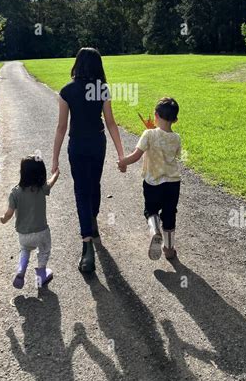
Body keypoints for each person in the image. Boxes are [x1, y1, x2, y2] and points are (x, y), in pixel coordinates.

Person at [52, 47, 125, 273]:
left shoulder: (67, 91)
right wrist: (121, 154)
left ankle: (87, 248)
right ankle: (92, 222)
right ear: (98, 66)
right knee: (94, 185)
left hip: (77, 146)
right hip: (97, 144)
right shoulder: (101, 89)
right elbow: (111, 122)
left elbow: (62, 127)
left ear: (77, 64)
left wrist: (54, 158)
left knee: (81, 192)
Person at [118, 97, 181, 260]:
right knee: (169, 214)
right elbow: (175, 154)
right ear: (175, 119)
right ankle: (168, 249)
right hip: (173, 184)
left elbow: (136, 155)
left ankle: (155, 231)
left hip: (153, 183)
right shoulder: (177, 138)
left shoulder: (148, 134)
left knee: (151, 210)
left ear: (155, 115)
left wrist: (123, 162)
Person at [1, 155, 59, 288]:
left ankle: (21, 269)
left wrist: (3, 219)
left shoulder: (15, 192)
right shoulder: (41, 188)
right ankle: (41, 275)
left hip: (24, 234)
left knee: (25, 250)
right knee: (44, 251)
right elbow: (51, 182)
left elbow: (9, 214)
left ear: (22, 173)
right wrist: (56, 173)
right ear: (41, 173)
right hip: (42, 231)